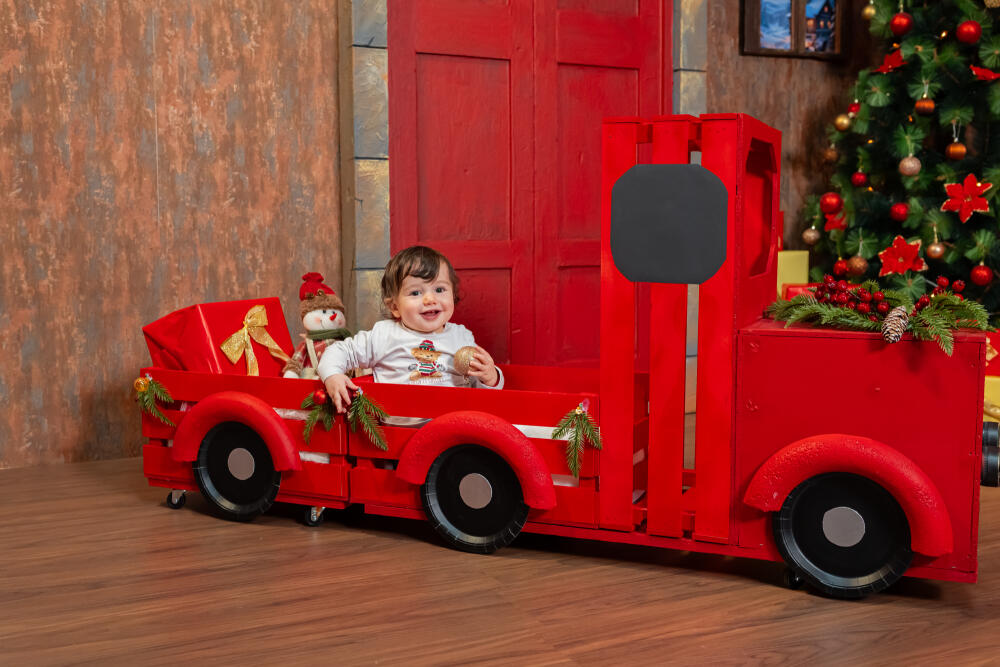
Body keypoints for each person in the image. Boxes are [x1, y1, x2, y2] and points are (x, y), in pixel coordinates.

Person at [318, 245, 503, 412]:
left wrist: (491, 378)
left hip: (454, 427)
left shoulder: (461, 337)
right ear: (395, 307)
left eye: (439, 290)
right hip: (400, 431)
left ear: (453, 295)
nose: (430, 299)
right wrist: (332, 375)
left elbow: (479, 392)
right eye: (415, 292)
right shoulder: (385, 334)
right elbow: (339, 350)